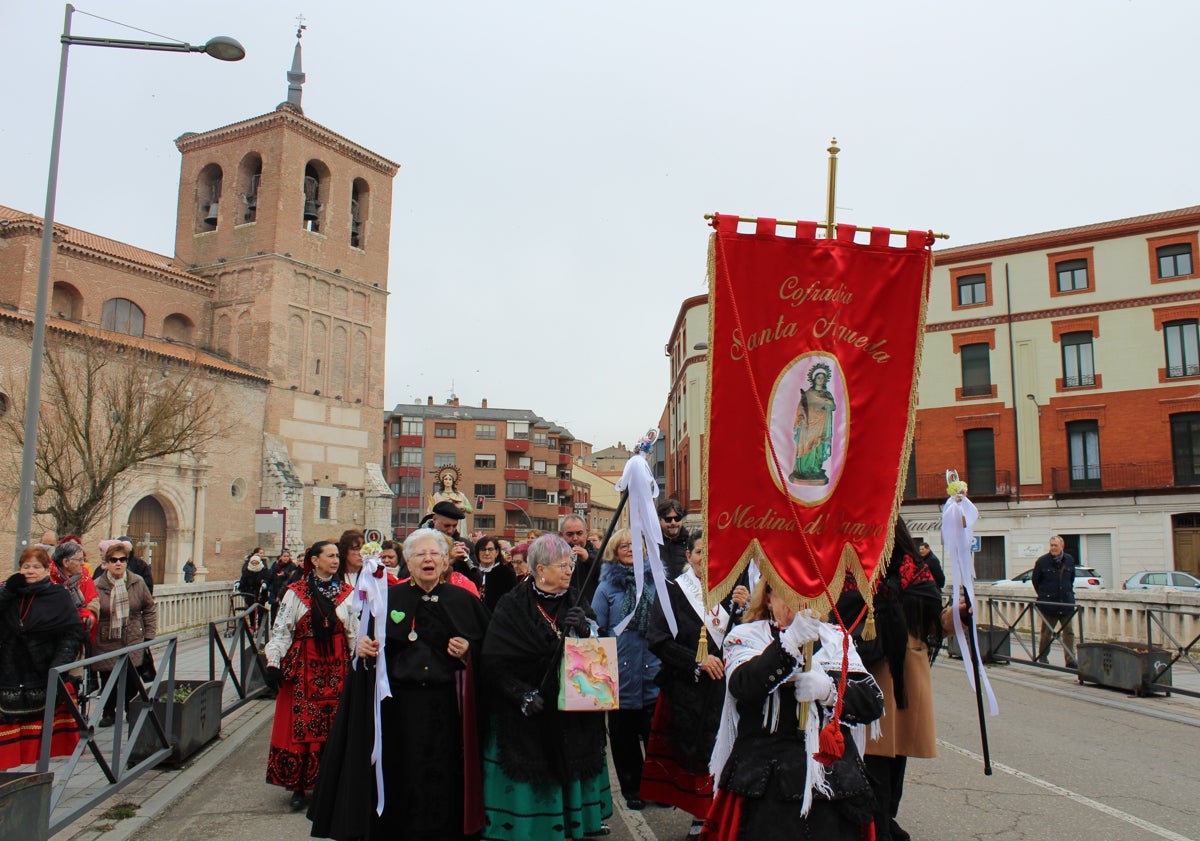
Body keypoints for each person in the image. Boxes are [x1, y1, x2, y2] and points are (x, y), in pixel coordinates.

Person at [309, 529, 491, 840]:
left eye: (434, 554)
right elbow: (366, 646)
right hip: (398, 707)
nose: (428, 559)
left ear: (446, 561)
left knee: (445, 774)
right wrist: (363, 650)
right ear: (407, 561)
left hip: (447, 708)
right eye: (420, 554)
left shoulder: (465, 601)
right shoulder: (388, 599)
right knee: (400, 771)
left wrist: (469, 652)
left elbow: (489, 651)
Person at [704, 581, 882, 841]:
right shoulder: (747, 636)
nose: (800, 602)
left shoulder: (835, 637)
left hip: (832, 781)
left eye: (809, 594)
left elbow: (871, 702)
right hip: (766, 780)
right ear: (767, 598)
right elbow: (744, 685)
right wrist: (789, 642)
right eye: (788, 592)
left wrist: (831, 692)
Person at [481, 534, 613, 839]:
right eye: (562, 565)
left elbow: (597, 652)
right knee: (531, 764)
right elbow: (493, 661)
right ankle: (530, 827)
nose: (569, 571)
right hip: (528, 709)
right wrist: (520, 694)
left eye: (570, 565)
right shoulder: (512, 604)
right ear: (540, 570)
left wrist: (584, 628)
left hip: (572, 710)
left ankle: (574, 822)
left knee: (574, 759)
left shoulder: (577, 600)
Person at [837, 519, 945, 841]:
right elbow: (837, 610)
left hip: (905, 678)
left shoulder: (913, 567)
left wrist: (960, 617)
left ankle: (885, 822)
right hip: (867, 673)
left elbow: (934, 619)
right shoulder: (848, 565)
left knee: (896, 765)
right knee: (872, 765)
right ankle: (878, 828)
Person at [641, 532, 748, 838]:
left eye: (711, 553)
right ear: (688, 556)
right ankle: (701, 818)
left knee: (729, 751)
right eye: (700, 552)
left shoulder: (731, 591)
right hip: (690, 687)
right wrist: (696, 662)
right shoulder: (673, 592)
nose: (705, 558)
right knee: (699, 755)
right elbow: (657, 639)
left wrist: (744, 609)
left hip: (727, 689)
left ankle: (726, 816)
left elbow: (745, 637)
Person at [264, 540, 358, 810]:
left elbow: (353, 631)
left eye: (338, 556)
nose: (336, 560)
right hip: (305, 665)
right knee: (302, 725)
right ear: (314, 560)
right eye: (330, 556)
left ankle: (329, 785)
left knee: (334, 725)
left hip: (337, 667)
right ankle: (299, 786)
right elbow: (282, 629)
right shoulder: (295, 592)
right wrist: (273, 661)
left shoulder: (347, 593)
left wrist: (357, 664)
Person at [0, 546, 88, 770]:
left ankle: (36, 782)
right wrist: (8, 590)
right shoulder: (10, 592)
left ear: (46, 569)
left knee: (39, 746)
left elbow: (72, 634)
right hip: (9, 673)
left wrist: (59, 666)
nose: (30, 571)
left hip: (42, 672)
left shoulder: (57, 595)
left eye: (36, 567)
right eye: (25, 566)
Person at [591, 528, 660, 810]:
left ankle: (657, 788)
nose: (631, 549)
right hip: (619, 673)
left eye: (635, 544)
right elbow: (598, 628)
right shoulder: (606, 588)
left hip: (653, 670)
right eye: (624, 545)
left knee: (655, 737)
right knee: (624, 739)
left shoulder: (658, 583)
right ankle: (633, 788)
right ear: (614, 552)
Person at [93, 539, 158, 728]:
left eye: (122, 559)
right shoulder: (97, 585)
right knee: (107, 678)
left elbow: (149, 608)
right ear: (107, 562)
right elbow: (92, 609)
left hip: (132, 636)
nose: (118, 563)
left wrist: (149, 635)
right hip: (107, 638)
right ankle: (108, 712)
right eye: (113, 560)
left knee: (132, 678)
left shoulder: (137, 582)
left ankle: (131, 710)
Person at [1033, 534, 1078, 668]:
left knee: (1069, 632)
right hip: (1049, 604)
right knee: (1046, 632)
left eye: (1055, 545)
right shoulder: (1042, 561)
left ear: (1061, 546)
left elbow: (1071, 579)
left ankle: (1070, 660)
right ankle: (1043, 657)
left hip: (1066, 603)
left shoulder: (1069, 560)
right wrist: (1044, 595)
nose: (1053, 548)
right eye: (1051, 545)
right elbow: (1036, 581)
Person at [789, 363, 837, 484]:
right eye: (818, 377)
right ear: (814, 379)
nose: (820, 380)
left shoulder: (827, 394)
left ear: (825, 380)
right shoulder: (808, 394)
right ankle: (804, 470)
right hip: (808, 426)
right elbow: (801, 408)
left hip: (822, 426)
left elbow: (832, 406)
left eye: (822, 378)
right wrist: (801, 418)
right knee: (807, 447)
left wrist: (824, 402)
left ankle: (815, 468)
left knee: (818, 447)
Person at [51, 541, 100, 644]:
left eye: (83, 559)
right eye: (79, 559)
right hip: (55, 638)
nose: (83, 563)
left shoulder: (84, 576)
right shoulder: (50, 580)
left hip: (80, 636)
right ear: (65, 562)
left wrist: (90, 613)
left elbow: (94, 599)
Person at [429, 501, 482, 589]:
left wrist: (466, 562)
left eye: (454, 526)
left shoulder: (466, 545)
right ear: (434, 520)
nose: (450, 531)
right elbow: (406, 575)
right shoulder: (419, 542)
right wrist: (448, 560)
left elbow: (477, 583)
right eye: (446, 526)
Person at [561, 514, 599, 604]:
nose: (575, 538)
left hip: (591, 607)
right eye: (570, 534)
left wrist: (588, 559)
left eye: (579, 533)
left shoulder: (599, 554)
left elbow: (607, 575)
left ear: (586, 533)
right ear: (562, 535)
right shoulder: (555, 557)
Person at [475, 534, 516, 611]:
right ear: (478, 552)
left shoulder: (506, 573)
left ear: (497, 552)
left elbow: (512, 600)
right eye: (483, 549)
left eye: (490, 549)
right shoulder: (472, 571)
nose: (487, 553)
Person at [657, 499, 690, 579]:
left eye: (677, 518)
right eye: (668, 519)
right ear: (660, 520)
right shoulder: (651, 544)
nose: (673, 522)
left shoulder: (691, 543)